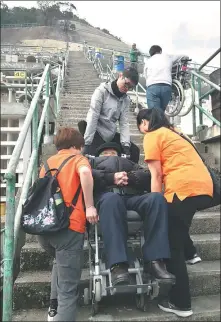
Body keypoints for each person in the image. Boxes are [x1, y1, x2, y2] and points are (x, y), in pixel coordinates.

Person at [48, 142, 175, 319]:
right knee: (111, 200)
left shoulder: (130, 164)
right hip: (106, 197)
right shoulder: (90, 162)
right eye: (106, 152)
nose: (110, 154)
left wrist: (130, 178)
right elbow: (84, 176)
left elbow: (147, 175)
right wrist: (111, 178)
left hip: (132, 197)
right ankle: (117, 264)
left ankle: (155, 261)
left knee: (157, 199)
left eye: (113, 152)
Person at [137, 108, 213, 318]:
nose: (141, 130)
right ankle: (192, 253)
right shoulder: (175, 133)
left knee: (172, 243)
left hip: (182, 188)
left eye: (140, 126)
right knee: (176, 223)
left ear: (145, 122)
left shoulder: (152, 135)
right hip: (204, 187)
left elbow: (156, 174)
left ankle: (181, 303)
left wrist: (154, 203)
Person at [37, 127, 98, 322]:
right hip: (69, 228)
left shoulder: (46, 163)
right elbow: (86, 174)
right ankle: (60, 310)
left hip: (44, 230)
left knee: (59, 261)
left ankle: (53, 307)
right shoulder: (78, 159)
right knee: (69, 291)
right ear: (75, 146)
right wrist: (89, 206)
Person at [79, 67, 140, 163]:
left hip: (110, 134)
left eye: (130, 87)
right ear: (120, 76)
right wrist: (87, 143)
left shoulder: (126, 100)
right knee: (91, 159)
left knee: (134, 151)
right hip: (96, 132)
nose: (127, 88)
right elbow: (93, 116)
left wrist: (126, 145)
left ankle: (126, 176)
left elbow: (124, 123)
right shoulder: (101, 91)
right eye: (126, 84)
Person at [144, 45, 189, 111]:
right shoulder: (167, 57)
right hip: (166, 87)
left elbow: (146, 76)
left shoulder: (148, 61)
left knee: (154, 113)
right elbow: (184, 56)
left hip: (152, 87)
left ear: (151, 54)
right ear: (160, 51)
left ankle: (155, 120)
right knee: (161, 112)